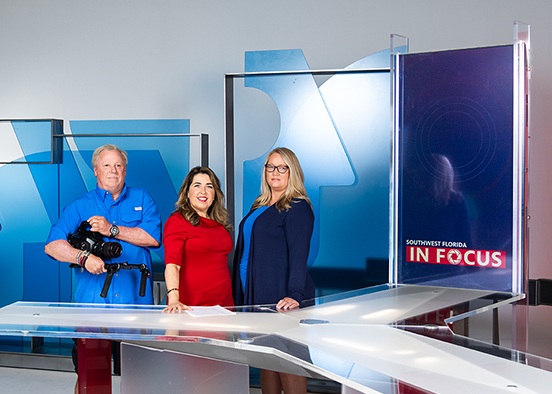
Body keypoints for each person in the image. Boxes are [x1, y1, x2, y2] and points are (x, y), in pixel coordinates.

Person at [44, 144, 161, 392]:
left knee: (141, 381)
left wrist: (112, 230)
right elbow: (52, 246)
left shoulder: (143, 198)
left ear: (125, 170)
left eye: (118, 165)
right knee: (90, 379)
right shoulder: (80, 206)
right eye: (107, 165)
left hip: (136, 308)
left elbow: (152, 238)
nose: (113, 170)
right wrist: (83, 257)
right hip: (92, 308)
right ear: (95, 170)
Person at [233, 147, 315, 394]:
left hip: (281, 296)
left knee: (288, 362)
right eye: (270, 167)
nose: (275, 172)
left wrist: (295, 295)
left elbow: (299, 256)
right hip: (256, 294)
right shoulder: (260, 204)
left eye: (282, 167)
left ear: (293, 172)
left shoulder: (297, 207)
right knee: (267, 360)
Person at [163, 166, 233, 313]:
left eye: (209, 186)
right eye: (197, 185)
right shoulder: (177, 221)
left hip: (223, 305)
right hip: (190, 306)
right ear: (187, 193)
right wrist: (174, 299)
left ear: (215, 194)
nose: (203, 191)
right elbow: (172, 265)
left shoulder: (220, 225)